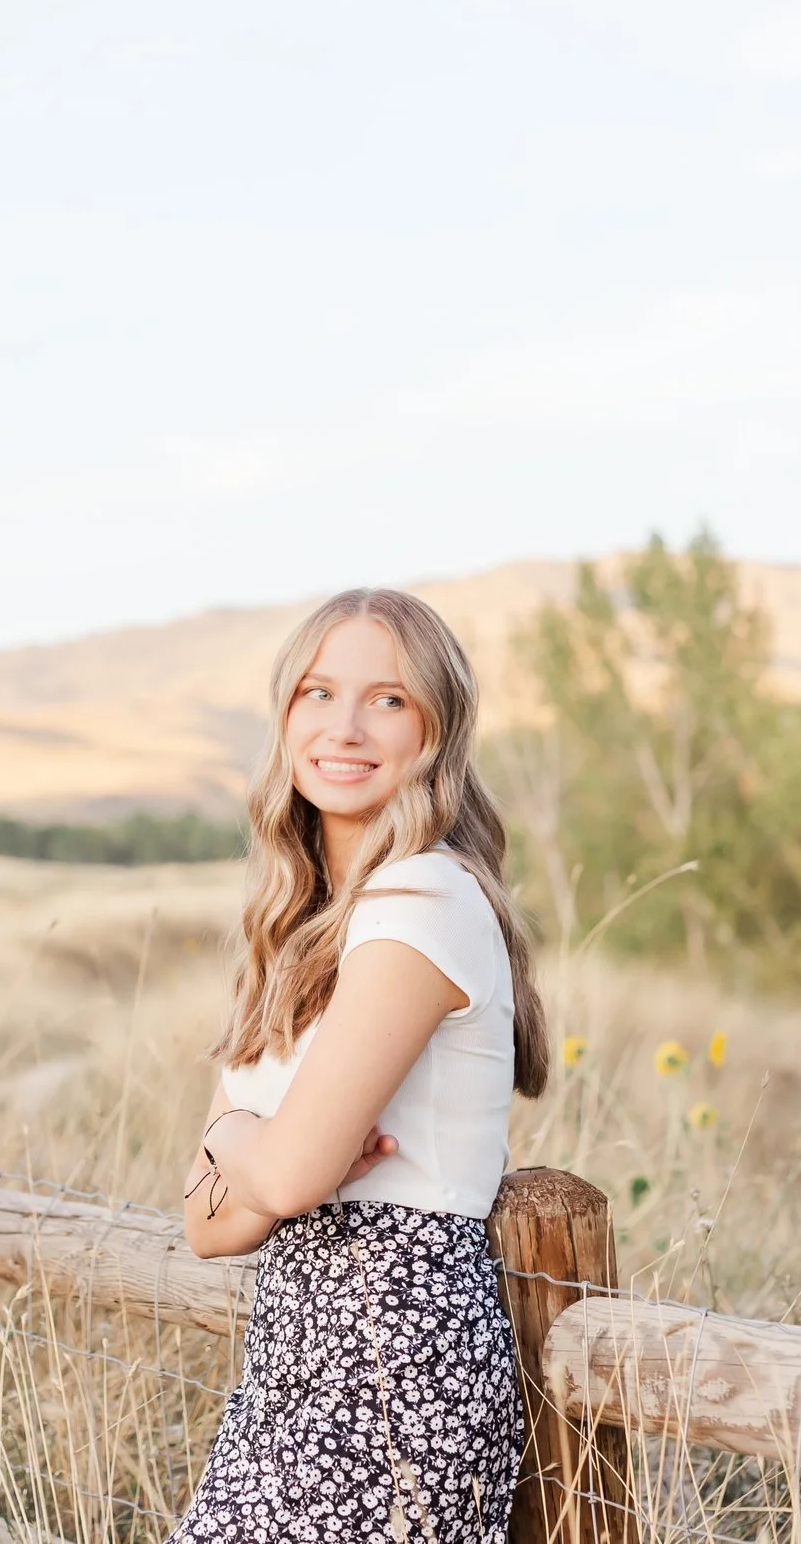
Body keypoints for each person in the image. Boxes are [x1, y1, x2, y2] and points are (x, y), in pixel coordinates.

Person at [169, 587, 550, 1544]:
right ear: (285, 713)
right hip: (294, 1351)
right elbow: (205, 1225)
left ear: (436, 728)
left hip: (394, 1366)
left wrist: (237, 1141)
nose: (345, 726)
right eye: (318, 692)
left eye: (388, 699)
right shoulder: (301, 925)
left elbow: (284, 1177)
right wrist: (265, 1156)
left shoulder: (425, 898)